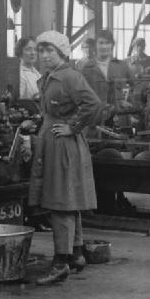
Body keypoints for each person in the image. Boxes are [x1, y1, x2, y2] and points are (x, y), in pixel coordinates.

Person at [29, 30, 101, 286]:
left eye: (50, 51)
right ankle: (77, 254)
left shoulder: (70, 76)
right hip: (54, 141)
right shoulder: (49, 77)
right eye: (41, 51)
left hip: (63, 144)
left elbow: (94, 104)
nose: (45, 55)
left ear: (62, 52)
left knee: (61, 201)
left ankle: (60, 262)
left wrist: (73, 126)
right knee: (69, 198)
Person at [80, 29, 133, 111]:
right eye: (101, 43)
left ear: (112, 45)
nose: (104, 47)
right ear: (95, 45)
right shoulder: (86, 69)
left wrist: (127, 100)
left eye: (107, 43)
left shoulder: (122, 66)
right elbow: (81, 94)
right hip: (96, 116)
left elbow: (136, 86)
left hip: (120, 115)